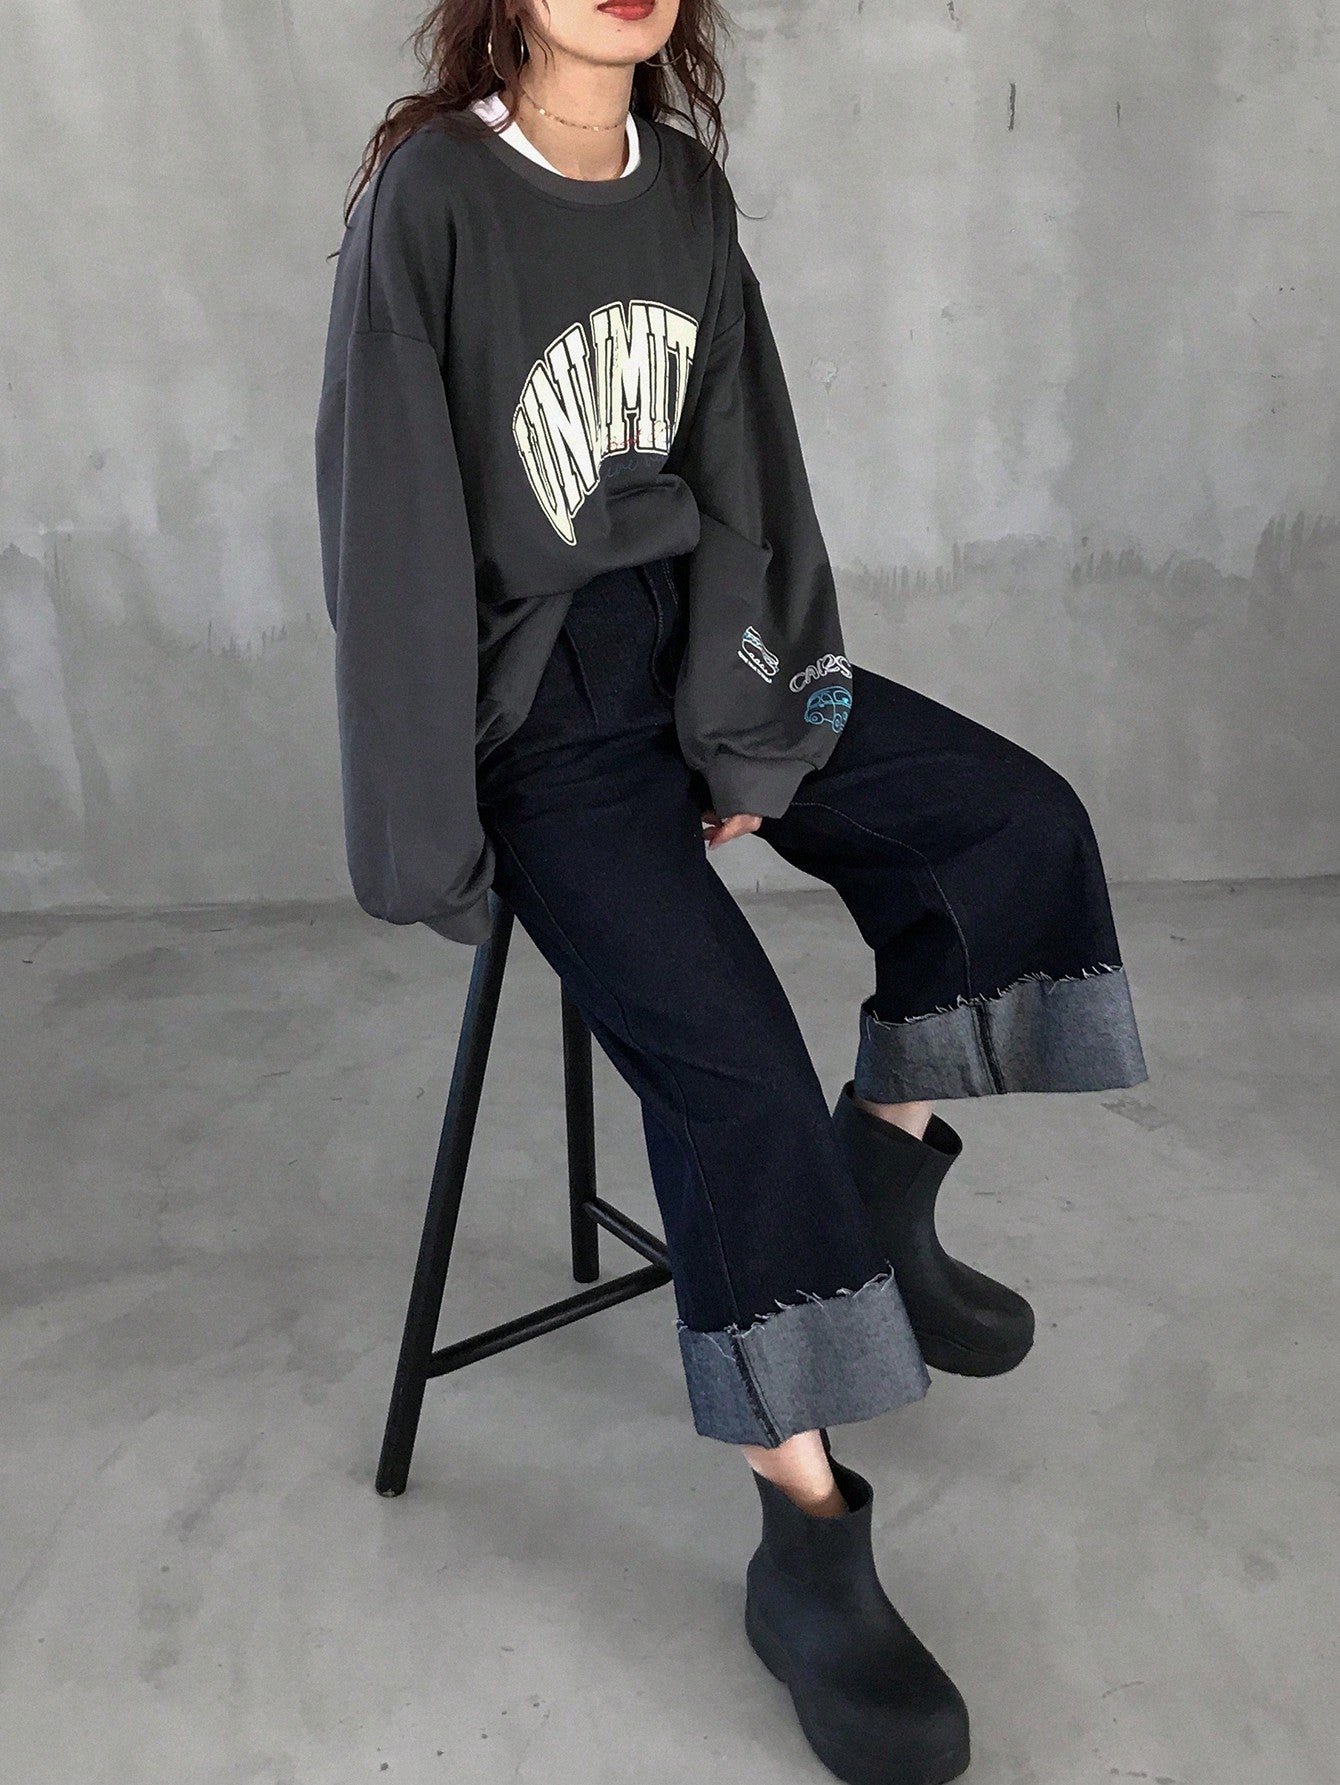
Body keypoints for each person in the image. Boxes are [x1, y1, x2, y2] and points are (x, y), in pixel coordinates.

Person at [314, 4, 1149, 1779]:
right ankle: (807, 1549)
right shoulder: (435, 197)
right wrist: (426, 824)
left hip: (709, 645)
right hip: (540, 718)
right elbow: (388, 525)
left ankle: (879, 1190)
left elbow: (749, 473)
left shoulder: (684, 192)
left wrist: (752, 727)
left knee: (1010, 824)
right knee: (734, 1076)